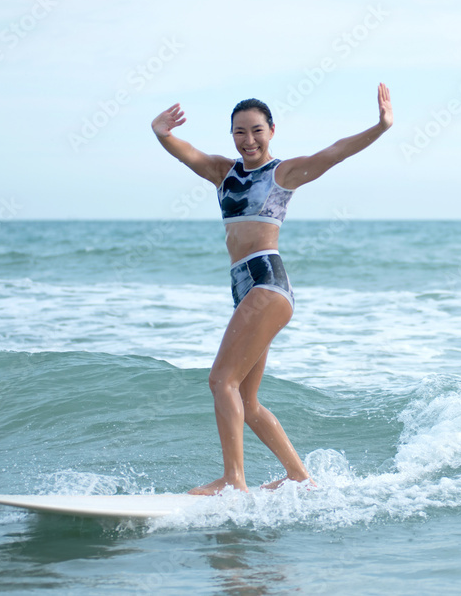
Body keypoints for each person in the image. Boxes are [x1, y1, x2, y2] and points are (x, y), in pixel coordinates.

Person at [151, 83, 393, 494]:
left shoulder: (283, 173)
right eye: (239, 132)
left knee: (219, 381)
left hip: (267, 282)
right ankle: (300, 477)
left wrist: (381, 126)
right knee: (245, 400)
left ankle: (233, 481)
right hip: (245, 291)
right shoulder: (222, 173)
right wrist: (161, 133)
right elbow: (185, 151)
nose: (248, 140)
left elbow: (334, 152)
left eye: (257, 130)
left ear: (272, 131)